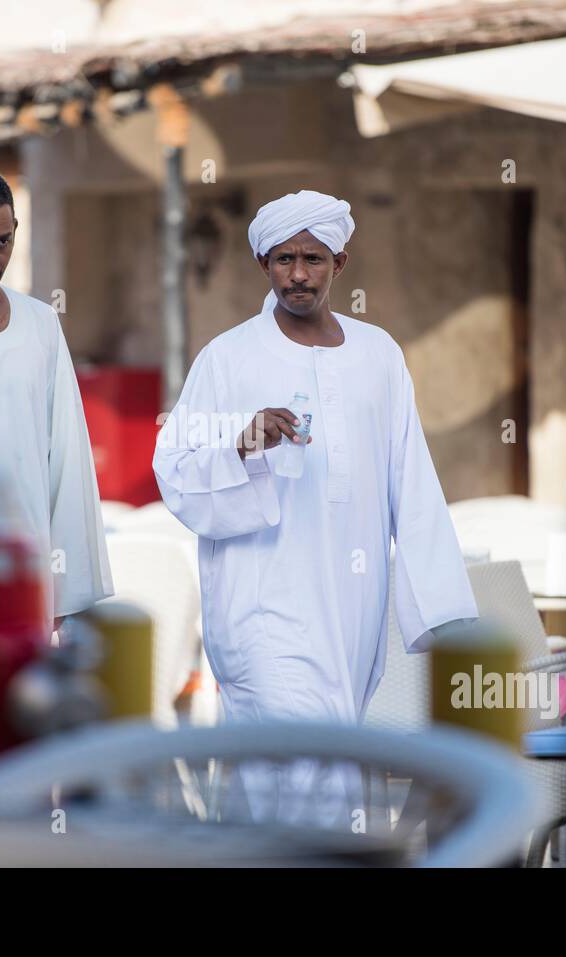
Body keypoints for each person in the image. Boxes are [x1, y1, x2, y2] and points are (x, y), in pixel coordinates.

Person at [153, 189, 477, 730]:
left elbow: (413, 482)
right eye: (284, 259)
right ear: (264, 263)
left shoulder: (379, 356)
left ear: (339, 264)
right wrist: (241, 446)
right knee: (305, 761)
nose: (298, 275)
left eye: (313, 259)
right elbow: (175, 472)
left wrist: (443, 606)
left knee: (309, 773)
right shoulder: (227, 358)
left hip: (353, 610)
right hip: (261, 607)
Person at [0, 167, 112, 631]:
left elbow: (67, 460)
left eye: (3, 243)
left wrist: (62, 589)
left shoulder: (40, 324)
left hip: (26, 572)